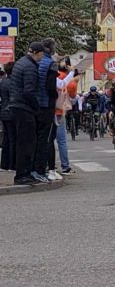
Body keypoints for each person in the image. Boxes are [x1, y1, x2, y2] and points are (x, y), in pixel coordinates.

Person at [10, 42, 45, 185]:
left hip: (17, 106)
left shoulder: (22, 62)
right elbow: (29, 91)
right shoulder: (30, 67)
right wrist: (36, 108)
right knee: (27, 142)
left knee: (22, 142)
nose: (43, 57)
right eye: (42, 53)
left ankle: (22, 173)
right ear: (38, 53)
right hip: (24, 107)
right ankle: (22, 175)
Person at [33, 38, 60, 182]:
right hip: (46, 105)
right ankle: (42, 170)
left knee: (36, 137)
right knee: (46, 138)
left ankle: (34, 168)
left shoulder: (36, 62)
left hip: (35, 103)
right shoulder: (51, 63)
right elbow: (50, 86)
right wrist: (55, 96)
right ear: (51, 48)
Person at [48, 59, 76, 181]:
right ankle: (65, 167)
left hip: (49, 110)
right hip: (61, 111)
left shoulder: (51, 77)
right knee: (62, 141)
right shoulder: (69, 80)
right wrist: (72, 73)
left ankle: (49, 166)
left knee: (48, 140)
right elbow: (73, 94)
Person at [0, 62, 16, 171]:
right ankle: (12, 164)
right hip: (12, 112)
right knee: (13, 139)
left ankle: (4, 164)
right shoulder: (13, 83)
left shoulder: (3, 82)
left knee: (6, 138)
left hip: (3, 112)